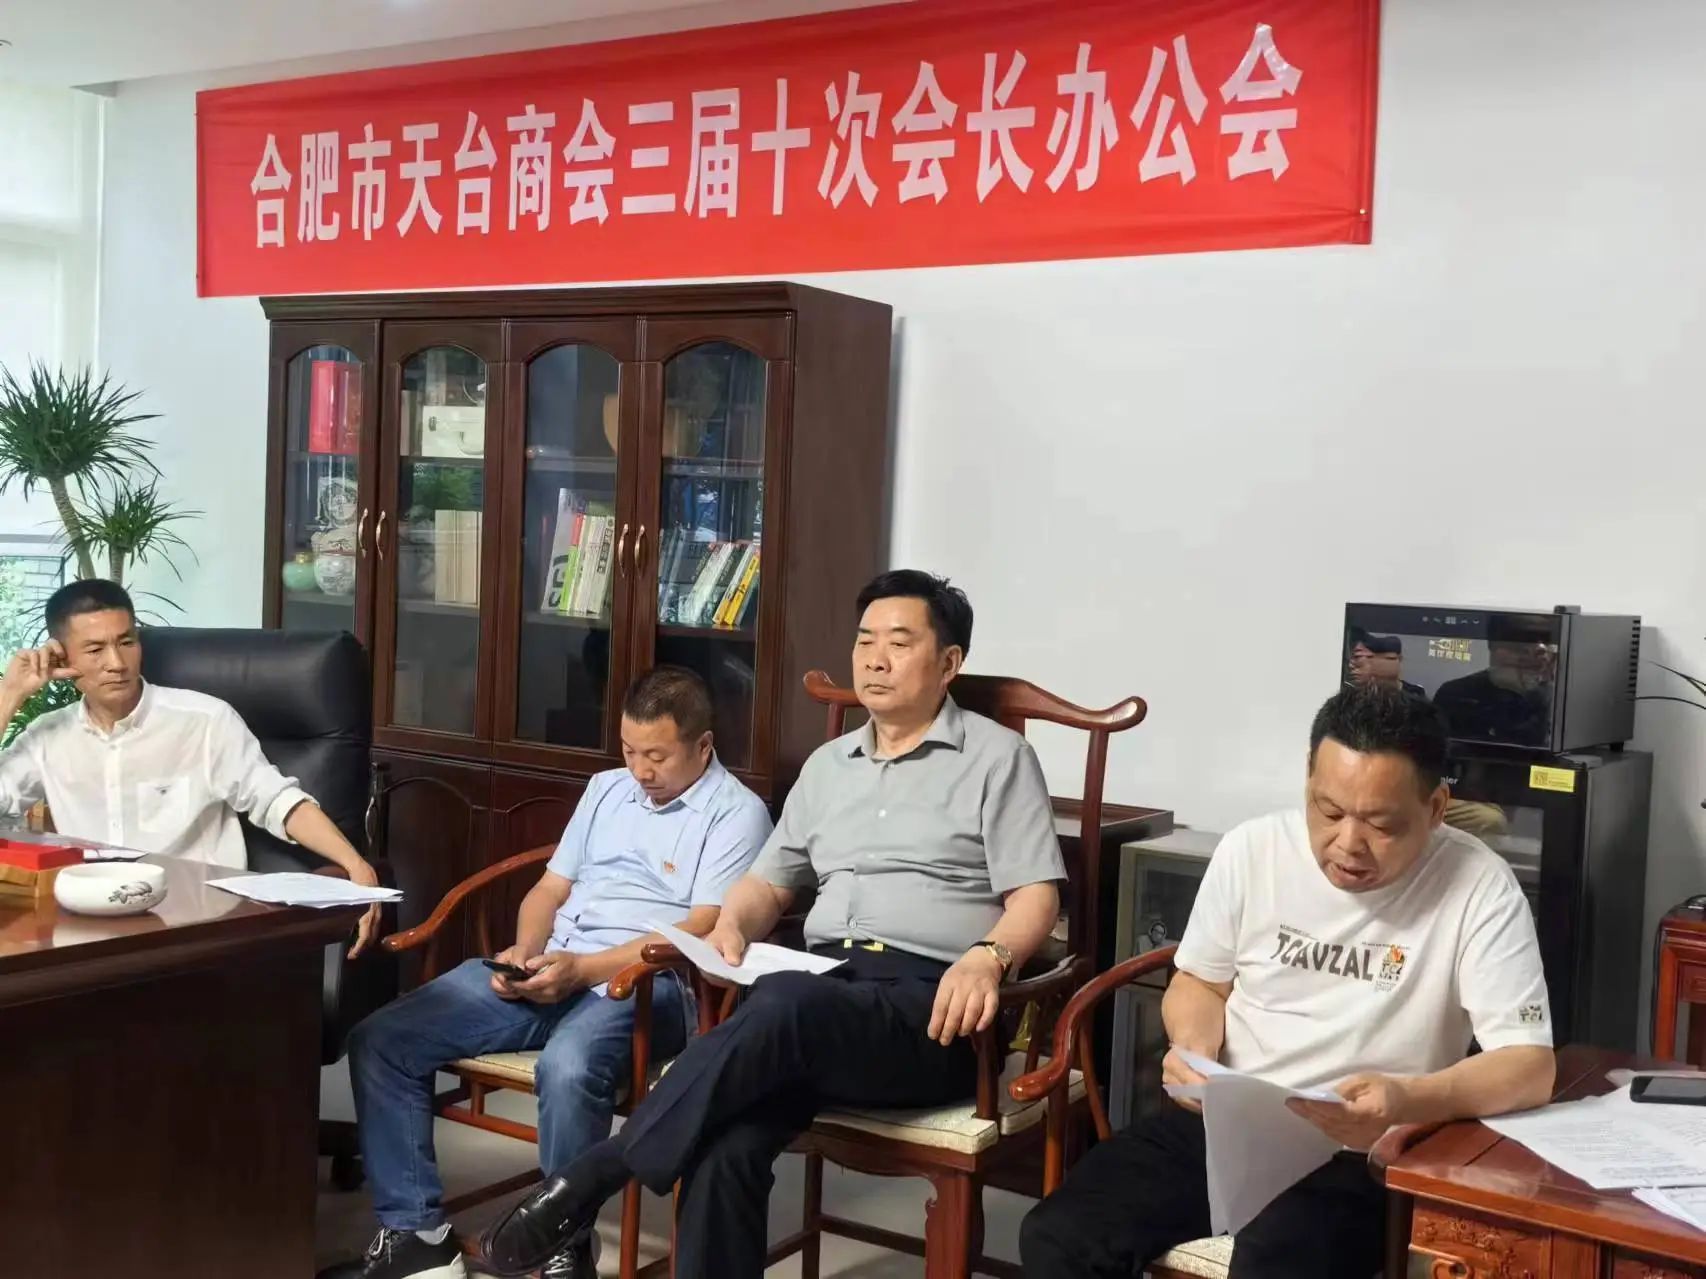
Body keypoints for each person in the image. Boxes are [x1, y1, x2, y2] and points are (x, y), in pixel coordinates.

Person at [478, 570, 1065, 1279]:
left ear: (948, 663)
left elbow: (1037, 897)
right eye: (865, 641)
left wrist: (988, 956)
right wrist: (733, 924)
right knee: (724, 1141)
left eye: (899, 642)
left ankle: (598, 1170)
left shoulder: (999, 759)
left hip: (933, 1008)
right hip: (822, 996)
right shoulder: (828, 767)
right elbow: (767, 882)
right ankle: (604, 1176)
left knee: (784, 1000)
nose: (875, 659)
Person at [1020, 684, 1555, 1279]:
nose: (1348, 844)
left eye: (1381, 823)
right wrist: (1193, 1050)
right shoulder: (1253, 849)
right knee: (1059, 1237)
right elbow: (1199, 983)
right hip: (1226, 1129)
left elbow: (1528, 1066)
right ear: (1307, 777)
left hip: (1362, 1153)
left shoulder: (1479, 886)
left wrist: (1408, 1099)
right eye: (1329, 811)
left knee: (1274, 1263)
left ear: (1434, 807)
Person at [324, 666, 771, 1279]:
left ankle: (566, 1245)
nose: (640, 771)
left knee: (568, 1067)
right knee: (384, 1038)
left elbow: (704, 927)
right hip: (558, 961)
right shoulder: (607, 789)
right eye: (629, 751)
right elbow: (549, 889)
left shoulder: (736, 812)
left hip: (654, 983)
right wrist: (524, 951)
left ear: (703, 746)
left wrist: (584, 970)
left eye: (657, 757)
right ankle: (416, 1236)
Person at [0, 578, 384, 951]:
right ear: (62, 657)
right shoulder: (47, 736)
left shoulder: (204, 721)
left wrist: (355, 864)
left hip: (196, 931)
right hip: (90, 930)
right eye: (95, 649)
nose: (116, 663)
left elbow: (275, 800)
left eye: (126, 642)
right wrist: (10, 694)